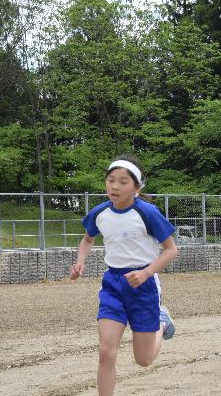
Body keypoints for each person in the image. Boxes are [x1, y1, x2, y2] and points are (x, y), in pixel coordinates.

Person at [70, 155, 177, 396]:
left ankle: (161, 321)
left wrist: (147, 272)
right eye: (111, 180)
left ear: (136, 188)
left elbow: (171, 250)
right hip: (113, 285)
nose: (115, 186)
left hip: (144, 285)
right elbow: (87, 239)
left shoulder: (147, 212)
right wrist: (79, 262)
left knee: (144, 360)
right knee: (106, 351)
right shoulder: (100, 213)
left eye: (123, 182)